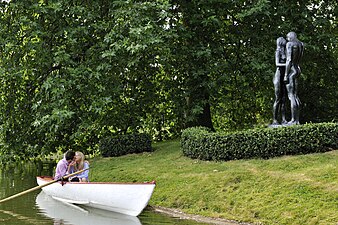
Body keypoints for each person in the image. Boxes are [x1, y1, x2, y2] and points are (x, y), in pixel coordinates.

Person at [284, 31, 304, 125]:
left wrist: (285, 74)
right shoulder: (300, 44)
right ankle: (297, 120)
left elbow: (289, 60)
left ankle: (293, 120)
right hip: (297, 69)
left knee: (291, 96)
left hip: (291, 70)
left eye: (288, 38)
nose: (287, 39)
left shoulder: (290, 44)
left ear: (290, 37)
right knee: (295, 96)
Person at [272, 37, 287, 125]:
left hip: (284, 76)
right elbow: (277, 64)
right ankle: (275, 119)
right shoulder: (277, 52)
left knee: (284, 99)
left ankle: (284, 119)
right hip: (278, 76)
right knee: (278, 98)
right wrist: (287, 64)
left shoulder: (285, 52)